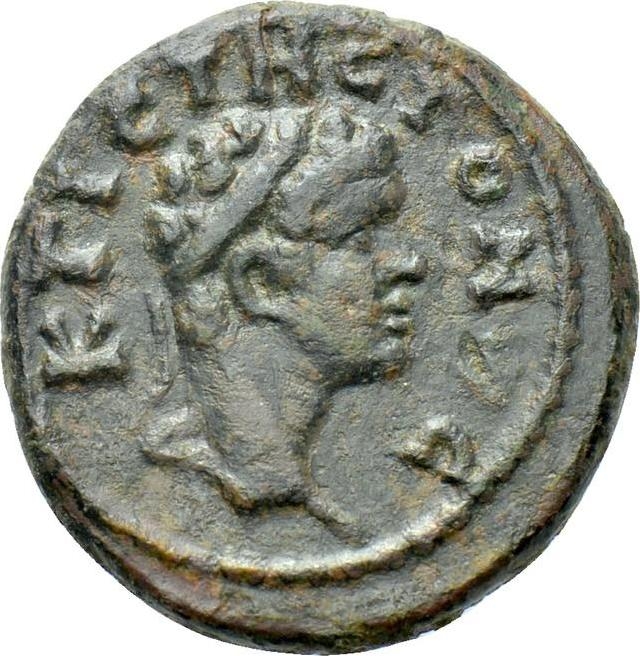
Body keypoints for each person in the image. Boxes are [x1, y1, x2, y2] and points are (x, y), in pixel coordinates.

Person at [142, 103, 426, 542]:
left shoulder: (283, 489)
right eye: (362, 242)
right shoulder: (189, 484)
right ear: (262, 284)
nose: (410, 264)